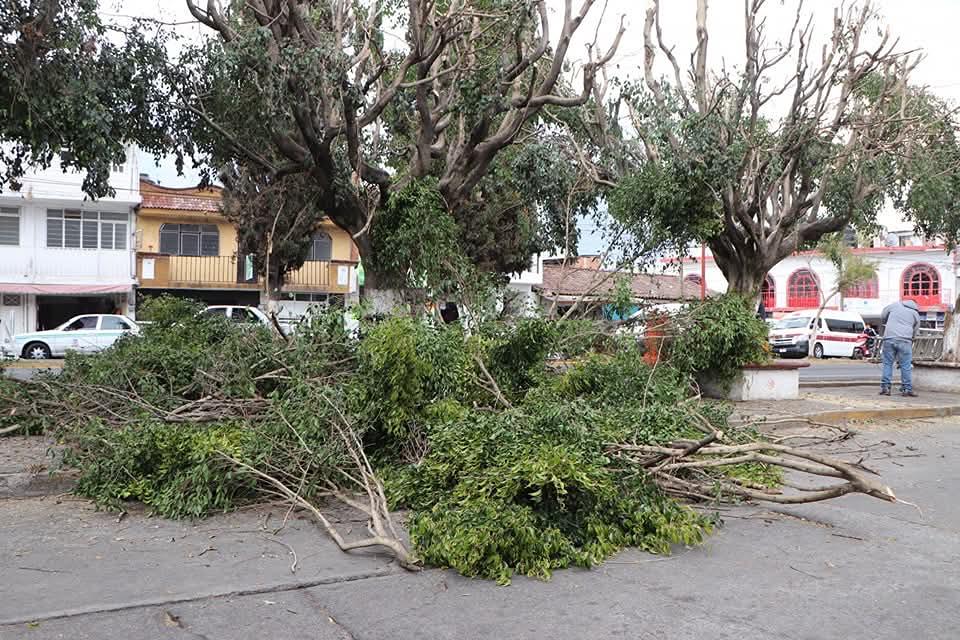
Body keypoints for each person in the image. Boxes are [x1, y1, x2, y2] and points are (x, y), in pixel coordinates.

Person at [879, 300, 921, 397]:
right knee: (905, 366)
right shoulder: (915, 313)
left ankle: (885, 388)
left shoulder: (894, 305)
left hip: (889, 338)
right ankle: (907, 389)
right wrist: (912, 337)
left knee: (887, 364)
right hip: (905, 340)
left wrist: (887, 322)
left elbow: (883, 315)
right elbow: (916, 329)